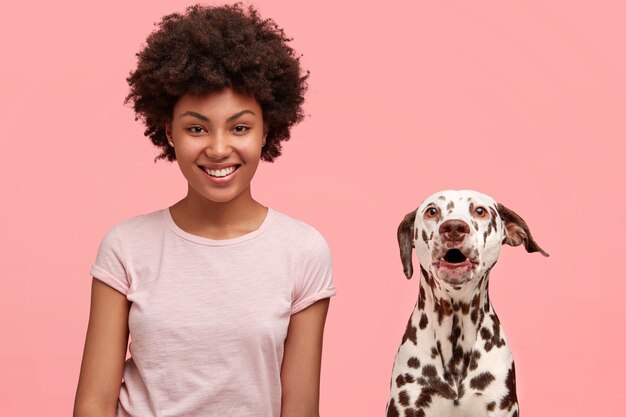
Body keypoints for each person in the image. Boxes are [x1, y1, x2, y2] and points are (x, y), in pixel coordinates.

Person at [73, 4, 335, 417]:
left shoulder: (302, 251)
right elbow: (93, 404)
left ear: (267, 129)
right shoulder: (126, 246)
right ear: (168, 132)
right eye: (196, 128)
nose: (217, 148)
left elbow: (300, 410)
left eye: (240, 127)